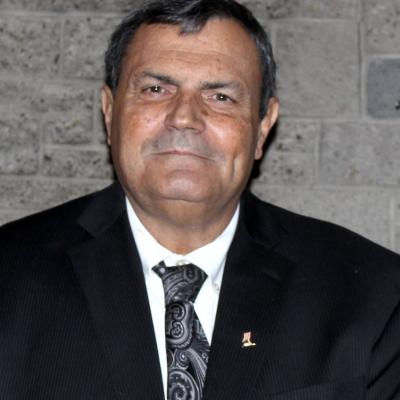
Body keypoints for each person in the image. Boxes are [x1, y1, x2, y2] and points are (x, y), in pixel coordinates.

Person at [0, 0, 399, 398]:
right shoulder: (10, 279)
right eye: (156, 89)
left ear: (263, 127)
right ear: (109, 112)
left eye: (220, 96)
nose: (184, 117)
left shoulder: (372, 296)